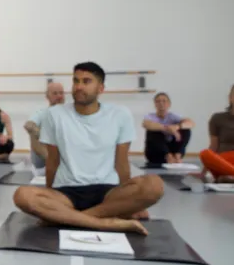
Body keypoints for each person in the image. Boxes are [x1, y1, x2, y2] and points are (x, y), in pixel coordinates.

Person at [13, 62, 164, 235]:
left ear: (101, 88)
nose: (79, 86)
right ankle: (106, 223)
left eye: (86, 81)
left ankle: (73, 219)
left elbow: (121, 163)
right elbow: (52, 161)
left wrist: (128, 202)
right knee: (22, 195)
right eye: (75, 81)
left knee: (154, 185)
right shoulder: (54, 115)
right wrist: (49, 199)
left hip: (108, 193)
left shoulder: (120, 115)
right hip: (66, 193)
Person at [142, 92, 194, 165]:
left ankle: (177, 156)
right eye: (158, 101)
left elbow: (191, 123)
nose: (161, 103)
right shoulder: (150, 116)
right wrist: (167, 128)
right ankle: (168, 156)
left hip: (172, 150)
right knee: (153, 131)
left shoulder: (173, 116)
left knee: (186, 130)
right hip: (156, 154)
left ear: (169, 104)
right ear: (155, 104)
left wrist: (177, 127)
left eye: (164, 101)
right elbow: (146, 124)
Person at [197, 85, 234, 183]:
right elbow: (214, 146)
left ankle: (228, 177)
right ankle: (228, 176)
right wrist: (203, 173)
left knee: (223, 178)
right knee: (205, 154)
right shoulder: (217, 118)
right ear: (230, 98)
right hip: (222, 161)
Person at [25, 82, 65, 169]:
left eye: (61, 93)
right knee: (34, 132)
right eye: (55, 93)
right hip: (44, 162)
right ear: (47, 96)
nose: (59, 96)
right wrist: (40, 133)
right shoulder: (41, 113)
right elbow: (28, 125)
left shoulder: (70, 114)